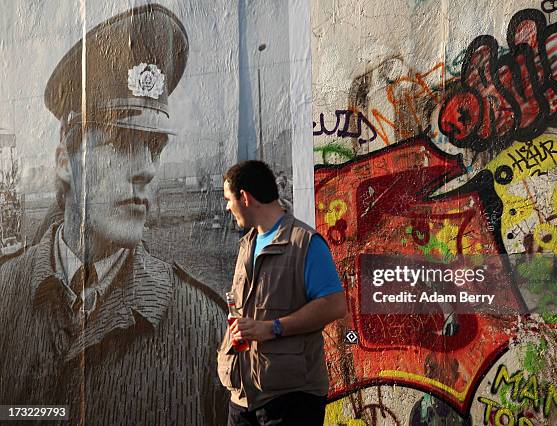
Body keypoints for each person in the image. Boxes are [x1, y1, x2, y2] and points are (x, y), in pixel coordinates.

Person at [0, 5, 228, 425]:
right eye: (122, 141)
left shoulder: (204, 327)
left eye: (154, 146)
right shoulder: (4, 296)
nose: (146, 168)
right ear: (65, 162)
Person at [218, 160, 347, 426]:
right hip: (242, 398)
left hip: (290, 400)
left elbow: (334, 305)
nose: (227, 206)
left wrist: (272, 328)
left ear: (245, 197)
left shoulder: (305, 243)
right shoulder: (247, 245)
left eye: (229, 199)